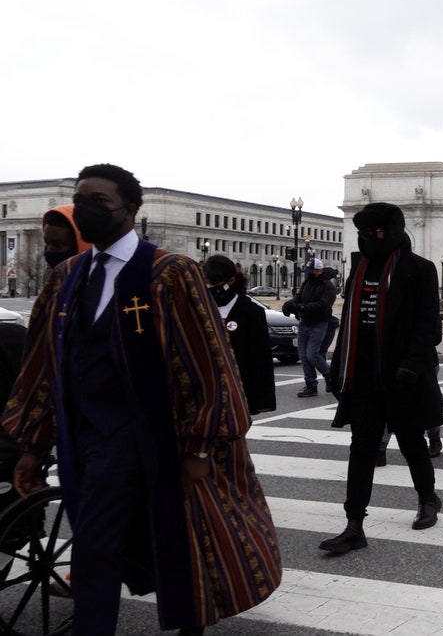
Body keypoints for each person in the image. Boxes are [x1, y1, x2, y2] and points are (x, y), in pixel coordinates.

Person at [2, 163, 281, 634]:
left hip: (153, 441)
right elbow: (44, 364)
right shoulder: (67, 276)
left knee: (175, 546)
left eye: (100, 202)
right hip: (84, 442)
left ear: (130, 211)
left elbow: (208, 361)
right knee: (97, 548)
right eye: (81, 198)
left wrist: (200, 445)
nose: (87, 209)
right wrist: (33, 444)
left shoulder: (169, 273)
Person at [321, 202, 443, 553]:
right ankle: (354, 525)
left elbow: (428, 326)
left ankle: (427, 497)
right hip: (363, 378)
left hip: (402, 376)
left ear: (388, 232)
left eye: (371, 233)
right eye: (361, 233)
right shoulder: (359, 270)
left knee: (410, 443)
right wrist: (338, 365)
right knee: (362, 448)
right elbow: (350, 321)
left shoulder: (419, 270)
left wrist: (412, 363)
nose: (365, 239)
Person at [203, 255, 276, 415]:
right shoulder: (199, 307)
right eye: (208, 282)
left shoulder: (250, 311)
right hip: (206, 386)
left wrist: (264, 399)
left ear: (231, 280)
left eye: (216, 282)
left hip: (239, 384)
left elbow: (261, 356)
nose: (210, 287)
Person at [284, 258, 336, 397]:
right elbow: (299, 296)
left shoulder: (328, 286)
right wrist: (290, 304)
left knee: (312, 354)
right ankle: (311, 385)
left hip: (319, 322)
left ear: (318, 270)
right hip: (304, 322)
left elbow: (323, 305)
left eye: (311, 271)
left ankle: (330, 375)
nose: (309, 273)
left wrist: (301, 307)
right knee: (303, 356)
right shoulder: (307, 282)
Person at [41, 204, 91, 268]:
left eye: (58, 245)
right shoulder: (52, 275)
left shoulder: (98, 276)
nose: (49, 250)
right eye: (47, 243)